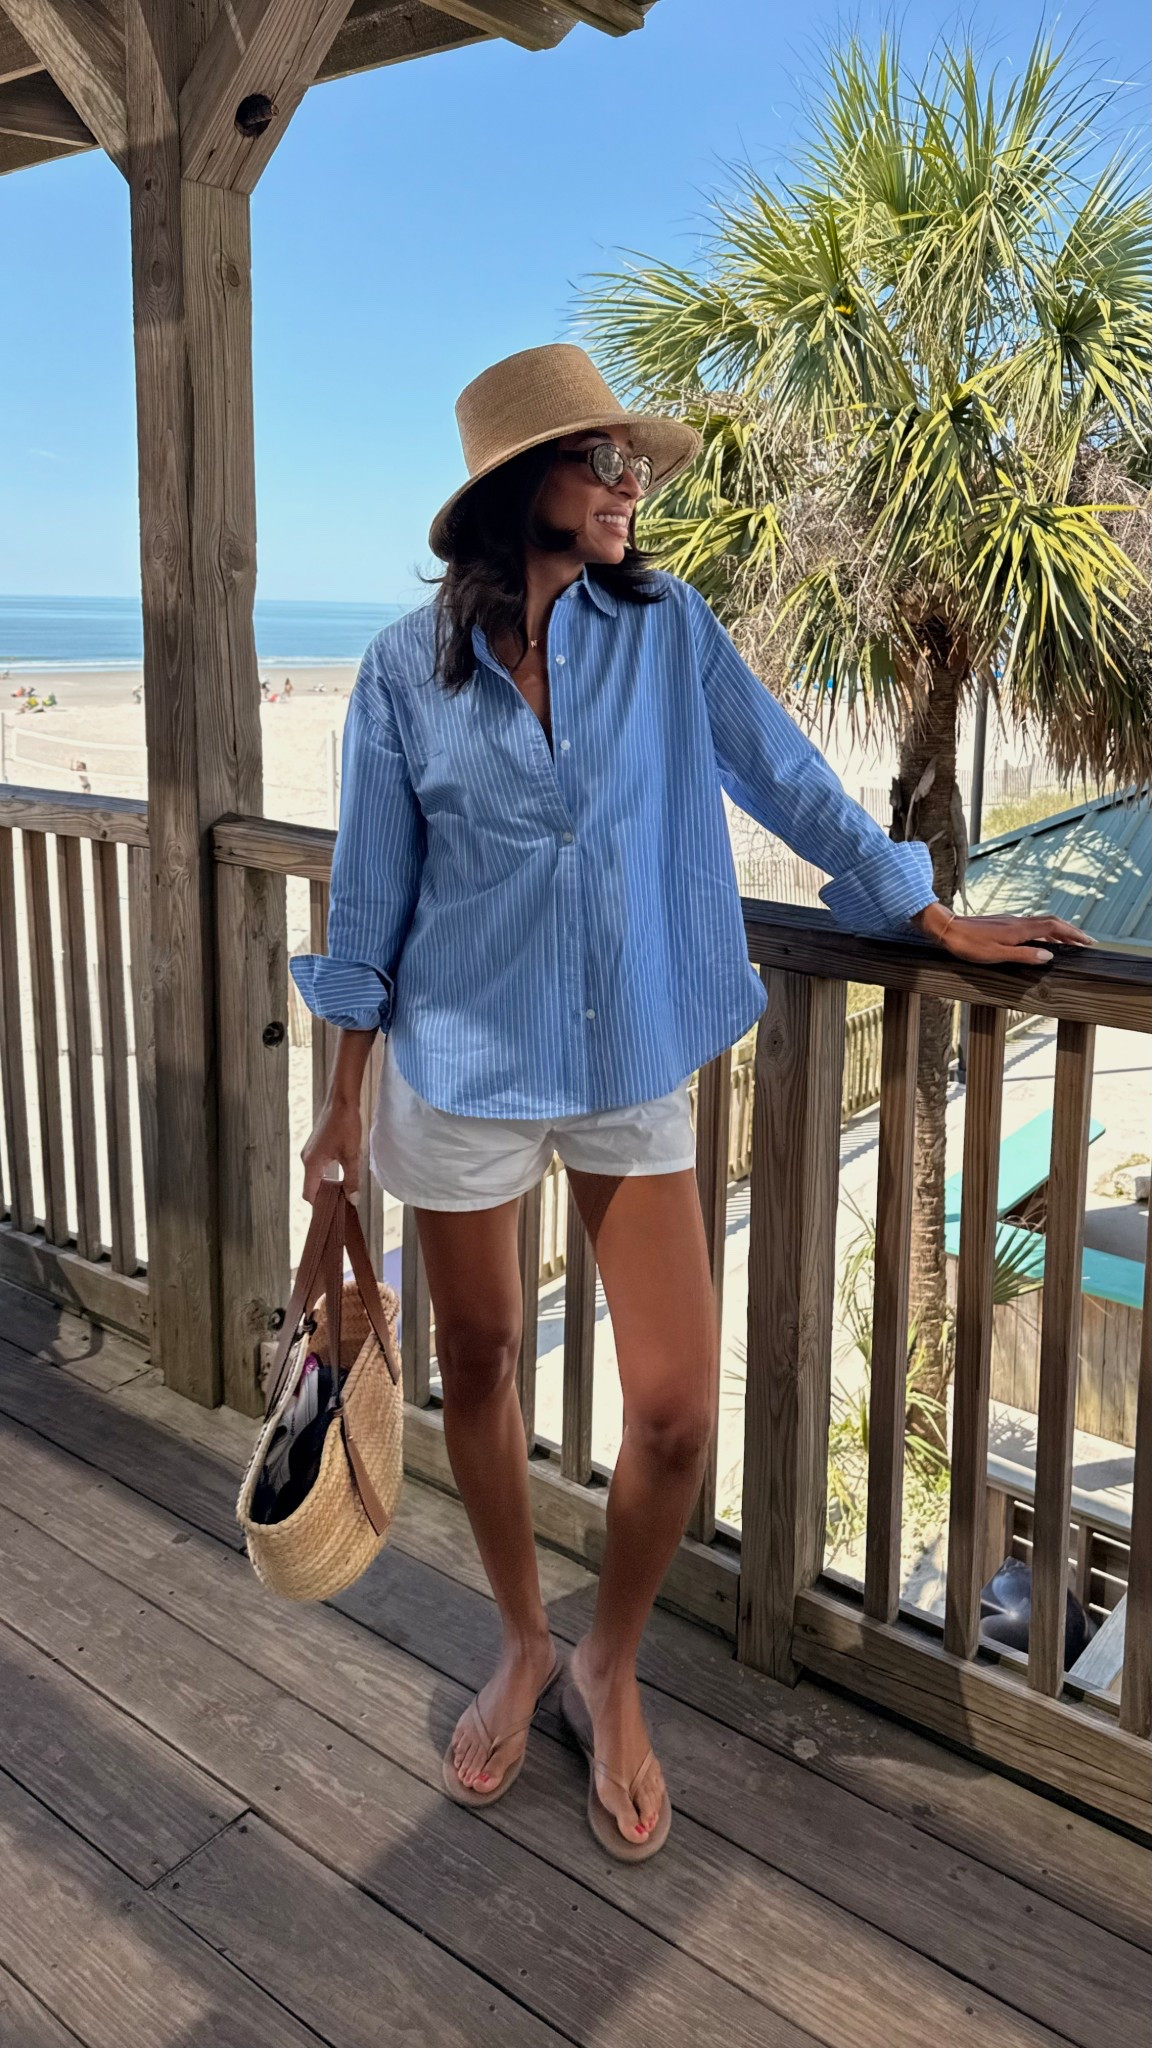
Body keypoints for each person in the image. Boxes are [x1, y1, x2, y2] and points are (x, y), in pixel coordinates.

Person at [290, 342, 1090, 1862]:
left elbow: (786, 776)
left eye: (629, 461)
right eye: (602, 460)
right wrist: (341, 1107)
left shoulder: (667, 632)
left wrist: (920, 908)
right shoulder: (404, 672)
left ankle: (610, 1660)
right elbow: (372, 897)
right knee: (479, 1357)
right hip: (459, 1064)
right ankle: (523, 1639)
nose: (629, 484)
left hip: (628, 1053)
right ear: (520, 487)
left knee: (671, 1408)